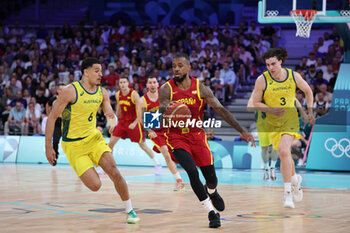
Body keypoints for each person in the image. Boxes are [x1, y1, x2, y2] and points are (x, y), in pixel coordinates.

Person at [159, 53, 255, 228]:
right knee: (192, 172)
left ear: (189, 67)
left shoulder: (201, 88)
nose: (176, 69)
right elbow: (161, 116)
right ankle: (211, 212)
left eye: (180, 65)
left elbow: (221, 110)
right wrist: (170, 115)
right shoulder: (166, 89)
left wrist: (241, 130)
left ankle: (212, 191)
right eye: (173, 66)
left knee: (211, 177)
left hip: (197, 136)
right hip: (176, 137)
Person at [45, 57, 140, 224]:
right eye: (97, 71)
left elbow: (109, 112)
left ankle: (130, 211)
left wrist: (112, 124)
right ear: (85, 72)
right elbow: (52, 118)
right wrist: (48, 147)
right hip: (73, 145)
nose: (100, 74)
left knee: (115, 172)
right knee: (96, 186)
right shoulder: (70, 91)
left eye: (101, 71)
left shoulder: (101, 92)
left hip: (94, 139)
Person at [250, 47, 315, 209]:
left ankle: (287, 195)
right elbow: (255, 102)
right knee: (283, 153)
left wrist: (310, 111)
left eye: (273, 64)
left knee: (285, 151)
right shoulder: (262, 80)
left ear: (281, 61)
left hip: (290, 120)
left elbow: (308, 91)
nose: (270, 68)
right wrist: (269, 109)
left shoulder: (294, 76)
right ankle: (294, 180)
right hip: (272, 122)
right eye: (267, 65)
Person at [109, 76, 162, 174]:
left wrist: (134, 123)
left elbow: (139, 114)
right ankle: (109, 167)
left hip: (134, 121)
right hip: (122, 122)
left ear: (128, 83)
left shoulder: (134, 95)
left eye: (124, 82)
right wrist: (114, 124)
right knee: (110, 144)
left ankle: (157, 164)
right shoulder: (117, 95)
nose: (122, 84)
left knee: (142, 145)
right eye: (120, 82)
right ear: (119, 84)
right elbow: (118, 110)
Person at [139, 76, 185, 191]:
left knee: (178, 152)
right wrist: (149, 130)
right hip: (155, 131)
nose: (152, 84)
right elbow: (140, 119)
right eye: (150, 82)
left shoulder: (164, 97)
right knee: (166, 154)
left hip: (167, 128)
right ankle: (179, 181)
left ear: (158, 84)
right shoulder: (142, 100)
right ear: (147, 85)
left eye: (154, 82)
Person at [46, 83, 65, 165]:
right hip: (57, 123)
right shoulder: (53, 99)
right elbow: (47, 105)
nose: (62, 91)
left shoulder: (69, 100)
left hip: (66, 123)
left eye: (64, 89)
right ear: (57, 90)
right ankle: (54, 157)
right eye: (60, 89)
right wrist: (49, 115)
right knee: (55, 141)